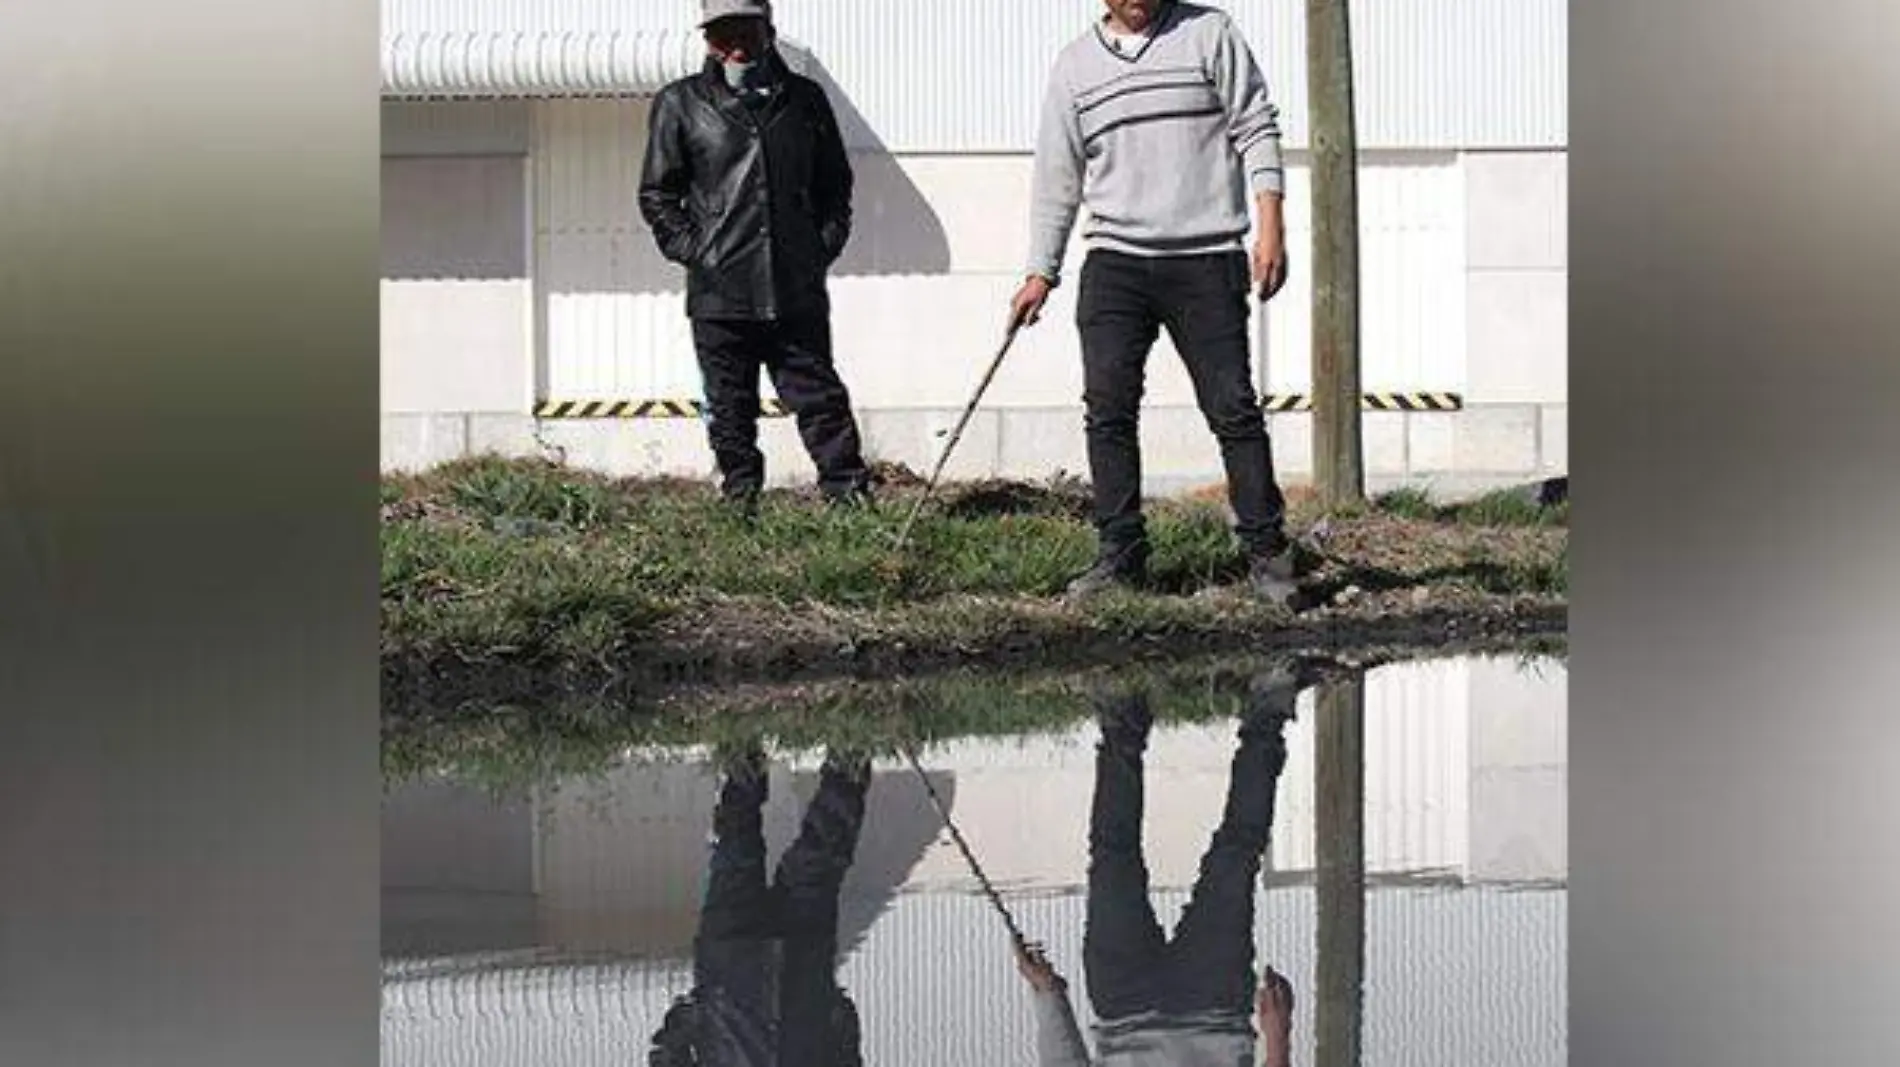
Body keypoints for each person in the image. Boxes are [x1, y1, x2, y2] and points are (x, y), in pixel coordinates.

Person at [1007, 0, 1300, 605]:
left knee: (1233, 408)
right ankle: (1121, 554)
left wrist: (1271, 223)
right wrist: (1042, 270)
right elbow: (1058, 179)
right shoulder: (1075, 68)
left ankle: (1268, 553)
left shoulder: (1209, 34)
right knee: (1108, 410)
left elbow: (1257, 126)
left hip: (1207, 255)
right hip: (1116, 262)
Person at [639, 0, 874, 519]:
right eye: (723, 35)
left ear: (770, 31)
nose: (737, 46)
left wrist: (818, 248)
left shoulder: (806, 101)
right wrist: (698, 253)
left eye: (746, 30)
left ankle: (850, 503)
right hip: (720, 295)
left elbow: (835, 186)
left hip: (795, 288)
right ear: (708, 41)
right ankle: (740, 509)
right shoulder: (680, 103)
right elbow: (658, 195)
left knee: (821, 400)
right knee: (730, 410)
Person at [1016, 670, 1303, 1066]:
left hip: (1122, 1005)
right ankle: (1268, 708)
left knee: (1112, 860)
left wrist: (1048, 994)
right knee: (1235, 857)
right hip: (1213, 1004)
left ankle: (1123, 720)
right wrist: (1278, 1037)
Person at [647, 743, 873, 1067]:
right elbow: (848, 1058)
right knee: (819, 861)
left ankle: (742, 739)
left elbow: (666, 1059)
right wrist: (832, 1006)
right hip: (802, 966)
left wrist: (697, 1010)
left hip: (731, 961)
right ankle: (853, 748)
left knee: (737, 847)